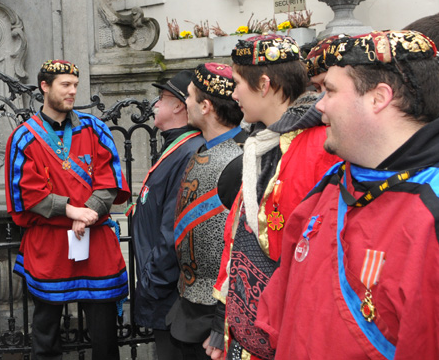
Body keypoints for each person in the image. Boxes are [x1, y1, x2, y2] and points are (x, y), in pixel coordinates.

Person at [257, 30, 439, 358]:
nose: (320, 105)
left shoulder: (431, 210)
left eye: (328, 90)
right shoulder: (329, 185)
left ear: (378, 98)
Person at [207, 36, 341, 360]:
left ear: (264, 84)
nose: (233, 94)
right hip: (247, 330)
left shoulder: (320, 146)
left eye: (237, 83)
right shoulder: (263, 143)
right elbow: (237, 233)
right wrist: (220, 319)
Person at [6, 60, 130, 360]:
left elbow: (109, 181)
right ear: (45, 87)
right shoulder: (23, 137)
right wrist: (71, 212)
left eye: (75, 85)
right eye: (65, 85)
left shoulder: (95, 128)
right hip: (49, 246)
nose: (72, 91)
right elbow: (26, 193)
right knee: (46, 336)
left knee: (104, 336)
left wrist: (87, 213)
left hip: (95, 242)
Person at [169, 64, 245, 359]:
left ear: (205, 105)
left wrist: (221, 320)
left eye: (188, 96)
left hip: (215, 313)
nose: (184, 103)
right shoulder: (203, 148)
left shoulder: (242, 159)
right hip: (189, 305)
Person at [132, 70, 204, 360]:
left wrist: (151, 281)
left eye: (161, 98)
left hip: (168, 290)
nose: (154, 105)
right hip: (163, 287)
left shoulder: (189, 150)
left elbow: (174, 225)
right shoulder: (177, 145)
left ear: (178, 106)